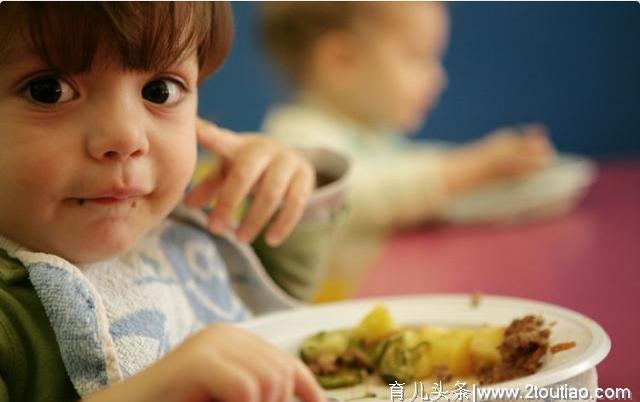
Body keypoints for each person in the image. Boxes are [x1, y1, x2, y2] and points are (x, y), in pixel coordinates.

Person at [0, 3, 345, 401]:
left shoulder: (175, 235)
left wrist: (282, 191)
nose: (127, 138)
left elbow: (274, 306)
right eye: (50, 90)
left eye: (159, 90)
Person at [260, 2, 595, 300]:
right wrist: (475, 167)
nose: (439, 78)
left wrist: (502, 173)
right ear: (342, 60)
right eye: (417, 57)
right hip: (330, 312)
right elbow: (359, 194)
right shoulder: (295, 136)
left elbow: (415, 170)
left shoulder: (375, 136)